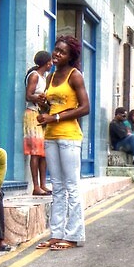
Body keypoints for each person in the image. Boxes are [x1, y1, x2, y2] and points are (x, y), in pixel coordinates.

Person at [35, 36, 90, 250]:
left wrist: (55, 118)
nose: (56, 54)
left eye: (62, 52)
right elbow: (49, 110)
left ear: (71, 56)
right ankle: (56, 234)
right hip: (51, 136)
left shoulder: (75, 76)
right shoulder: (50, 77)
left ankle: (73, 235)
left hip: (69, 137)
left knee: (72, 186)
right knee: (57, 187)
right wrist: (42, 108)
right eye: (56, 50)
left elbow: (85, 108)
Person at [23, 50, 53, 196]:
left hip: (42, 115)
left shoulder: (44, 77)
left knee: (43, 152)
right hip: (33, 115)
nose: (52, 64)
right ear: (46, 63)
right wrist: (39, 99)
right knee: (35, 152)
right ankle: (35, 186)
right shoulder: (34, 76)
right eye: (50, 61)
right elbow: (28, 95)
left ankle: (43, 184)